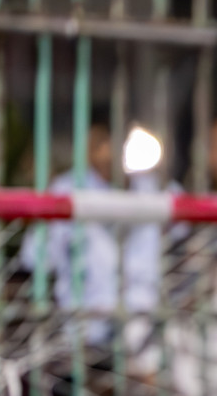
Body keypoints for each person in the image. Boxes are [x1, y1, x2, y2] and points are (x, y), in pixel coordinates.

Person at [19, 114, 164, 351]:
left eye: (113, 142)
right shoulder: (65, 191)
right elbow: (35, 258)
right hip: (83, 327)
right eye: (99, 144)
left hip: (143, 325)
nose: (106, 152)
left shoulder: (154, 188)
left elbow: (183, 240)